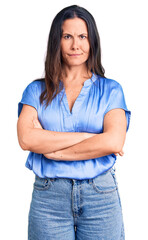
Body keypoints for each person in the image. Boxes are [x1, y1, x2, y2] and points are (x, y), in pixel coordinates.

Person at [17, 5, 131, 240]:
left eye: (82, 37)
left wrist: (53, 151)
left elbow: (113, 140)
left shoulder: (111, 90)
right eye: (67, 36)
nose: (75, 45)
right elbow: (27, 139)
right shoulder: (35, 91)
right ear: (56, 42)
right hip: (49, 198)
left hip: (100, 195)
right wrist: (91, 139)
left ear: (92, 42)